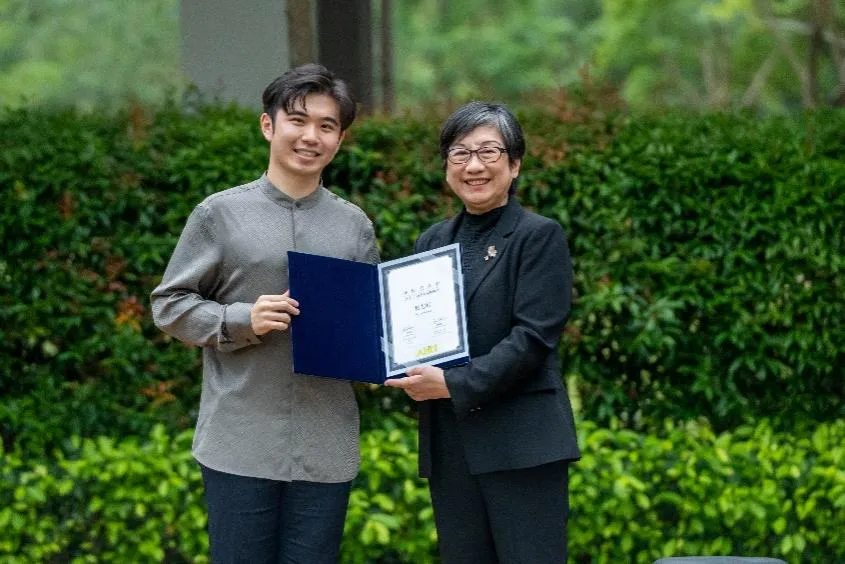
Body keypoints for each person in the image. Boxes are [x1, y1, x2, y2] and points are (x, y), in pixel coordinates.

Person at [150, 63, 379, 563]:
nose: (311, 136)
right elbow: (169, 304)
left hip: (326, 443)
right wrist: (238, 320)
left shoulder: (354, 227)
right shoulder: (219, 214)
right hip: (239, 442)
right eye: (298, 120)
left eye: (327, 125)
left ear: (340, 138)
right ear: (268, 125)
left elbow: (370, 323)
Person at [385, 101, 580, 563]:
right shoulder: (431, 241)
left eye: (489, 152)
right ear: (447, 166)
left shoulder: (538, 236)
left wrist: (452, 384)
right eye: (460, 153)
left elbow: (533, 339)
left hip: (522, 445)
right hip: (451, 446)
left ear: (515, 165)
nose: (473, 165)